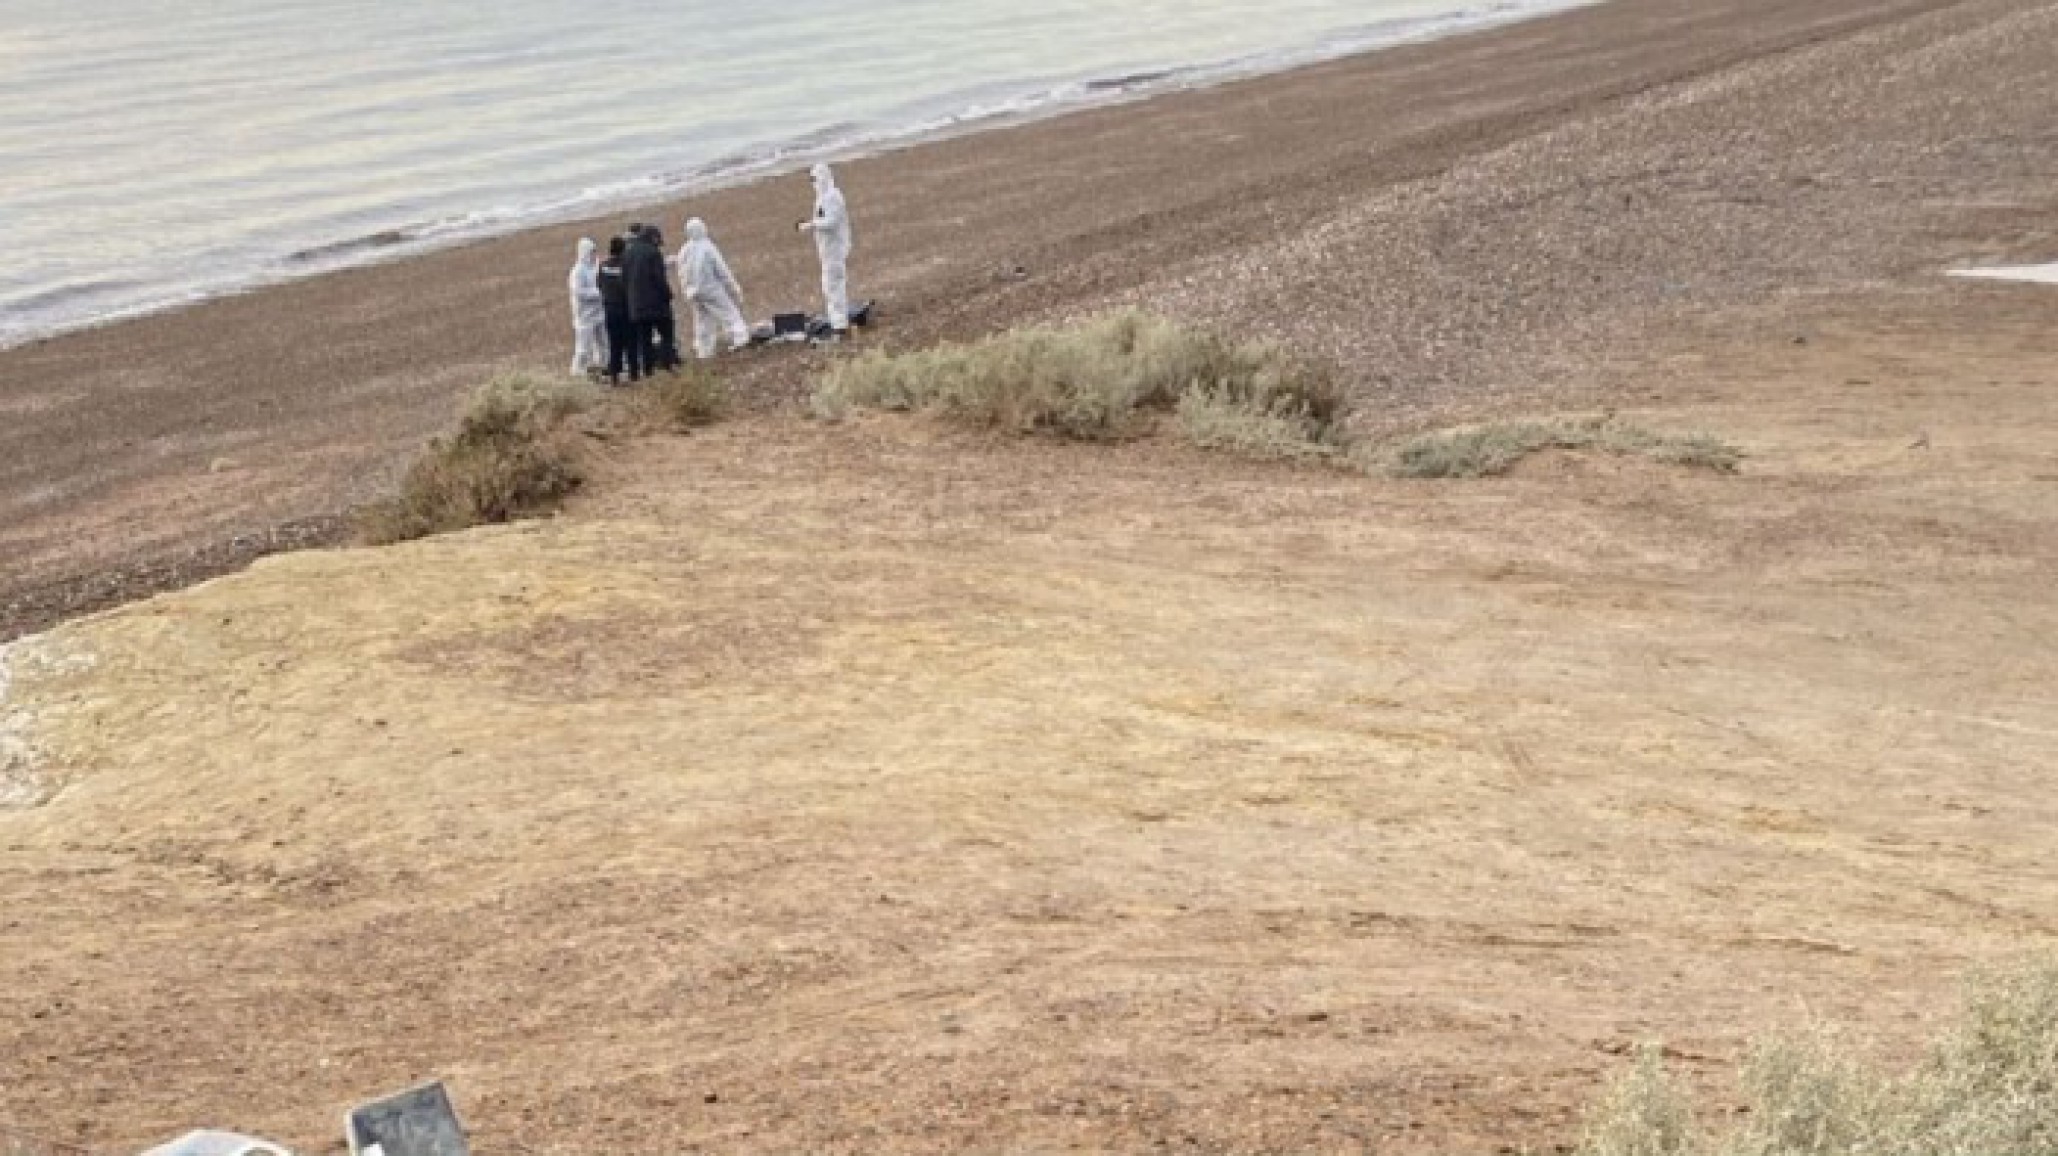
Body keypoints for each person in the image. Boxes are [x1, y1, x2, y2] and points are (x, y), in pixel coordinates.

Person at [677, 217, 751, 360]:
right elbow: (722, 270)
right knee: (730, 314)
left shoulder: (684, 250)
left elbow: (681, 272)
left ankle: (704, 350)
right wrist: (734, 288)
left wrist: (687, 290)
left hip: (693, 292)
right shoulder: (707, 247)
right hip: (710, 289)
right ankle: (740, 338)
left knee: (703, 320)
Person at [798, 163, 853, 333]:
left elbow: (832, 222)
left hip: (834, 250)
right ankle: (837, 321)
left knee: (833, 286)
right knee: (830, 286)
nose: (813, 183)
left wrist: (811, 224)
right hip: (828, 250)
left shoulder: (832, 197)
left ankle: (839, 325)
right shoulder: (824, 197)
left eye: (814, 179)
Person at [622, 223, 681, 373]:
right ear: (654, 238)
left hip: (637, 306)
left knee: (645, 340)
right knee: (667, 334)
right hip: (657, 305)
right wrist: (668, 295)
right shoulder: (653, 253)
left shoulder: (627, 253)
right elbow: (659, 279)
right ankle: (668, 364)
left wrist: (630, 300)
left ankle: (648, 370)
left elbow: (624, 279)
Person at [567, 238, 607, 378]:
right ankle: (578, 371)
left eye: (595, 251)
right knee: (583, 347)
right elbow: (578, 292)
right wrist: (599, 293)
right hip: (584, 316)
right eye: (592, 252)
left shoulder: (595, 267)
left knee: (603, 343)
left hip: (599, 312)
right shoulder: (577, 271)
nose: (594, 254)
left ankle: (603, 366)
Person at [597, 235, 635, 384]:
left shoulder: (603, 266)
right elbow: (630, 285)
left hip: (609, 308)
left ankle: (614, 375)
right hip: (625, 307)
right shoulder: (626, 265)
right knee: (630, 342)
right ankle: (633, 373)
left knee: (614, 343)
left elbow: (599, 284)